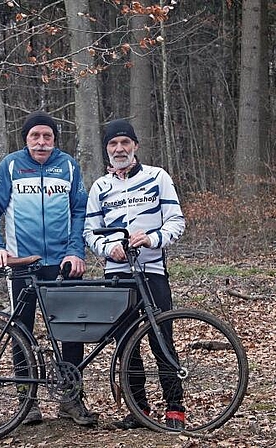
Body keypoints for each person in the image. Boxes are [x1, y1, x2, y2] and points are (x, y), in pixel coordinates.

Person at [0, 110, 96, 426]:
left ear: (54, 139)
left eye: (47, 136)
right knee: (22, 331)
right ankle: (26, 402)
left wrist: (75, 251)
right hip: (22, 264)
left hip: (63, 263)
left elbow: (80, 212)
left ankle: (71, 400)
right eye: (35, 136)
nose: (41, 142)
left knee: (73, 331)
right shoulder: (12, 165)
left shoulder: (68, 166)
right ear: (26, 139)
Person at [83, 119, 186, 430]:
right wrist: (107, 246)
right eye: (113, 144)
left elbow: (176, 222)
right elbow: (89, 232)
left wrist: (152, 238)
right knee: (127, 343)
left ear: (135, 146)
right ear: (106, 150)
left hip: (152, 270)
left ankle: (175, 409)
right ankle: (137, 410)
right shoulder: (100, 186)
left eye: (125, 142)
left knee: (161, 338)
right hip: (116, 275)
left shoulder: (158, 177)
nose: (119, 149)